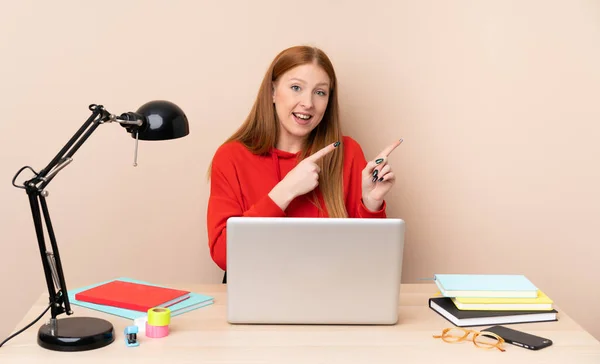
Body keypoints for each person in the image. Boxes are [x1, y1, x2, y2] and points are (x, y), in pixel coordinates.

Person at [206, 45, 402, 278]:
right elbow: (223, 256)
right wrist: (285, 191)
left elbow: (372, 261)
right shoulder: (231, 156)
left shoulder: (347, 152)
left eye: (320, 92)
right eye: (296, 88)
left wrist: (371, 204)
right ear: (272, 91)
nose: (308, 103)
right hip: (259, 297)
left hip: (332, 295)